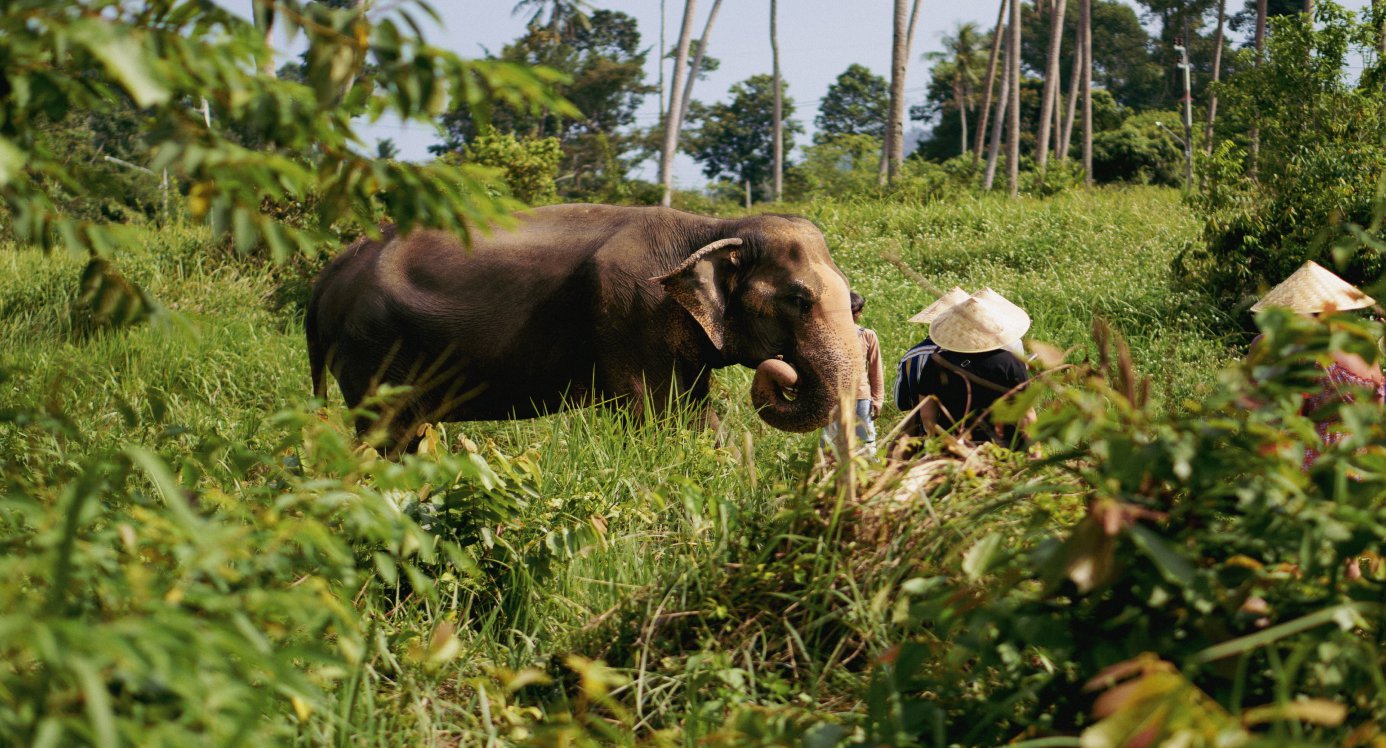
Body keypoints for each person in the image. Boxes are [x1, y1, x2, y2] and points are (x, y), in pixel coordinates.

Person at [1251, 260, 1385, 470]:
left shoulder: (1309, 351)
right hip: (1359, 454)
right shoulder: (1363, 346)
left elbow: (1289, 413)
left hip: (1318, 455)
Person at [897, 290, 1032, 448]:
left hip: (954, 448)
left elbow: (927, 416)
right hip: (1005, 448)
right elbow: (1026, 415)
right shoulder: (1011, 362)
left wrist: (938, 442)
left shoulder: (937, 362)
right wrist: (1034, 451)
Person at [824, 292, 884, 454]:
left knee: (866, 444)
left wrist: (877, 399)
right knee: (830, 445)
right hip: (832, 398)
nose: (850, 316)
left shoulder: (868, 335)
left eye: (854, 312)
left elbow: (875, 369)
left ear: (860, 313)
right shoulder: (826, 336)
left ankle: (869, 476)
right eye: (847, 312)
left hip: (860, 397)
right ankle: (831, 476)